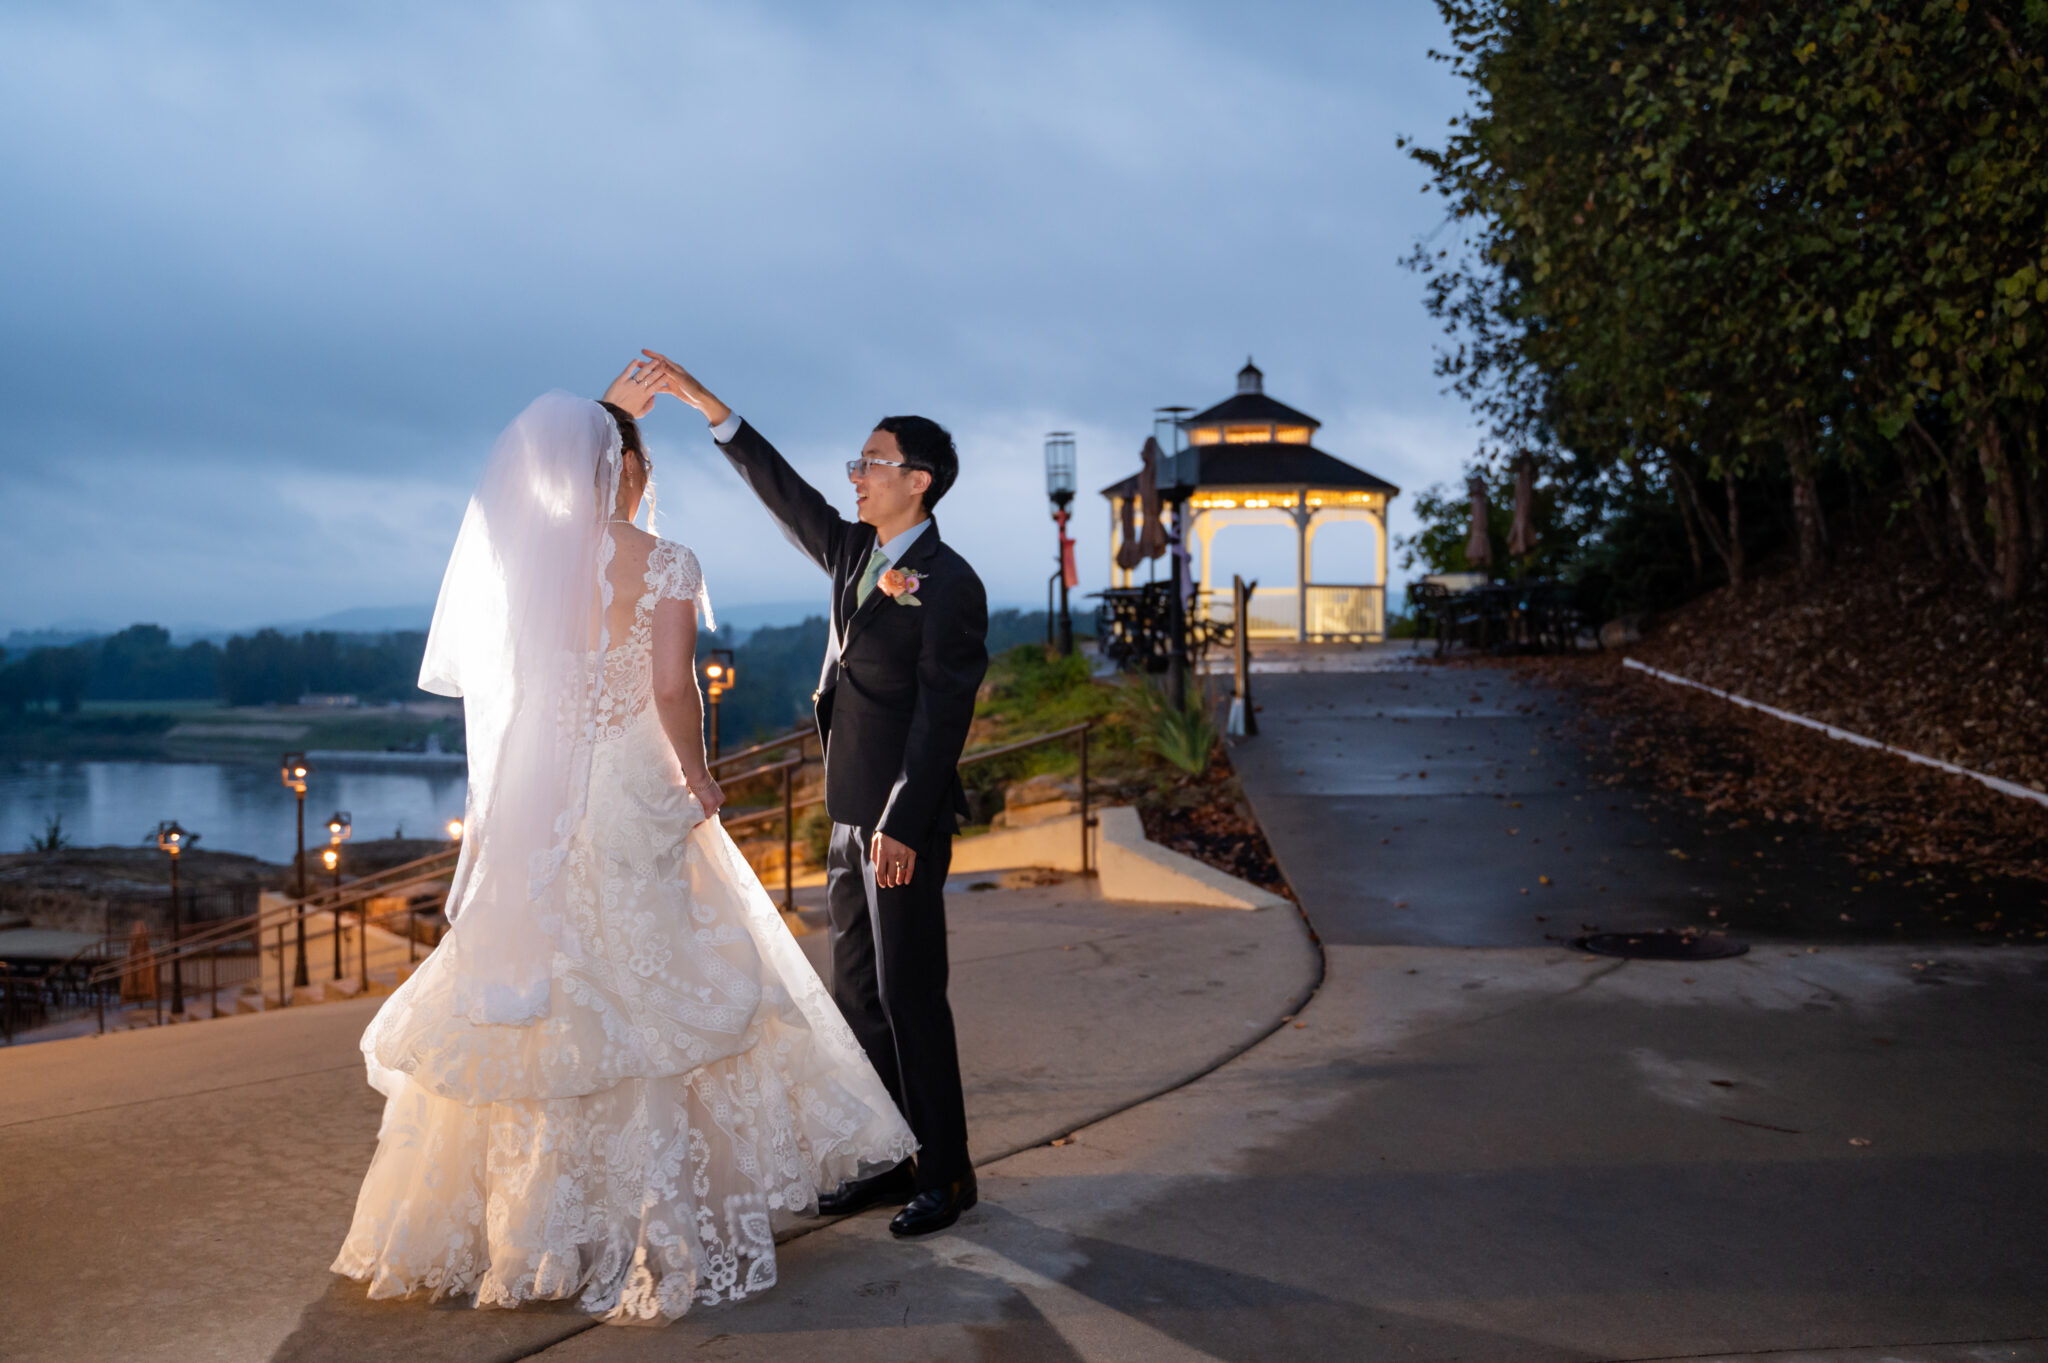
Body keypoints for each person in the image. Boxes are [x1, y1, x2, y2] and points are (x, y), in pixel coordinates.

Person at [331, 386, 915, 1324]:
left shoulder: (533, 566)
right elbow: (674, 688)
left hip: (547, 791)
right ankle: (647, 1227)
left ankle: (537, 1229)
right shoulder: (667, 559)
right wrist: (699, 775)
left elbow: (522, 683)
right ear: (629, 472)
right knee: (652, 997)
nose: (644, 480)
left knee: (554, 994)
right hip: (634, 784)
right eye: (639, 465)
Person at [632, 348, 989, 1237]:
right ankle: (888, 1159)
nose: (856, 475)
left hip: (899, 825)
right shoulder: (856, 553)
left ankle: (948, 1174)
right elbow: (785, 492)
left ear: (920, 479)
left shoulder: (952, 585)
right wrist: (714, 410)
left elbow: (941, 719)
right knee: (859, 998)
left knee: (912, 997)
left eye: (871, 462)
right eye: (856, 464)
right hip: (846, 817)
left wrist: (902, 823)